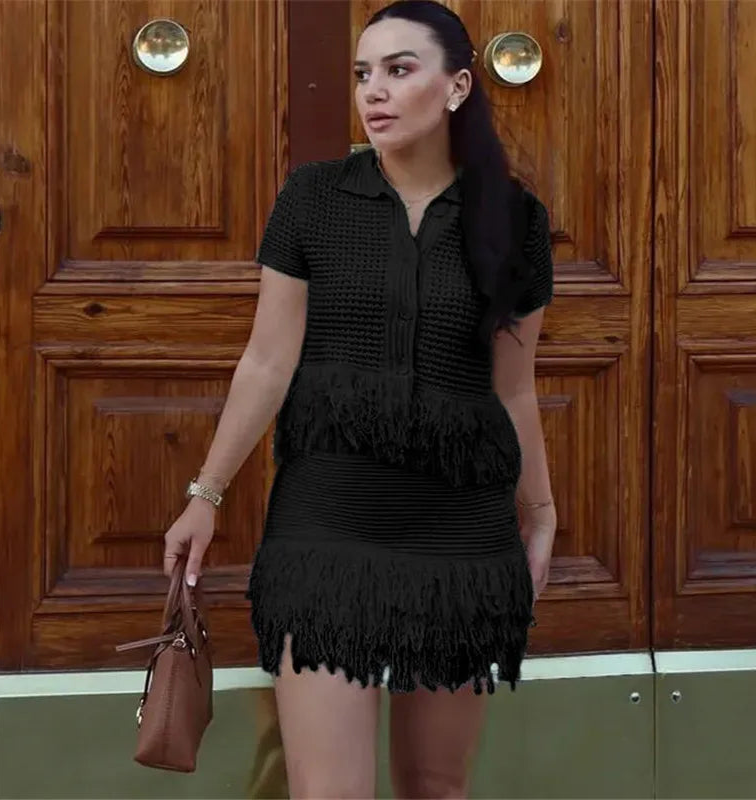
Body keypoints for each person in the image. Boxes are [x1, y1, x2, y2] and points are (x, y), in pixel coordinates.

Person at [163, 1, 557, 796]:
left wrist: (541, 511)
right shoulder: (312, 199)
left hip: (460, 535)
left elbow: (513, 390)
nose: (372, 91)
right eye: (361, 74)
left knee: (435, 786)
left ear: (456, 88)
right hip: (326, 525)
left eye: (398, 70)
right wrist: (205, 494)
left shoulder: (515, 220)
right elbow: (267, 363)